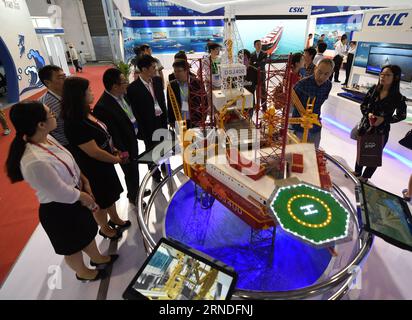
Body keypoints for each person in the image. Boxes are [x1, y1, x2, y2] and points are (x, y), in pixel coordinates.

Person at [5, 101, 118, 281]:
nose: (55, 115)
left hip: (76, 196)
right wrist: (84, 197)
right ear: (40, 124)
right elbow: (59, 192)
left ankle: (97, 258)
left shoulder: (47, 138)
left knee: (87, 233)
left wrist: (83, 180)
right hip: (59, 209)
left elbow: (69, 161)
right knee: (72, 246)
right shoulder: (33, 160)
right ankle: (83, 272)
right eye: (50, 114)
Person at [62, 77, 127, 240]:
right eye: (88, 90)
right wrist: (115, 159)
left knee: (111, 195)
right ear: (79, 96)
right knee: (101, 201)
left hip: (105, 164)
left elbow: (102, 135)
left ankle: (115, 218)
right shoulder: (74, 122)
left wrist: (114, 150)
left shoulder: (86, 113)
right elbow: (94, 152)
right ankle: (104, 228)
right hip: (94, 169)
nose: (92, 92)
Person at [93, 68, 151, 206]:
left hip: (132, 139)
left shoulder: (122, 95)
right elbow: (113, 135)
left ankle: (135, 191)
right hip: (124, 147)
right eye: (124, 82)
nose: (127, 84)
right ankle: (134, 197)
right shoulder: (103, 107)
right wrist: (123, 153)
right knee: (130, 172)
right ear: (114, 86)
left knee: (134, 169)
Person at [354, 65, 407, 182]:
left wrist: (384, 119)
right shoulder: (373, 89)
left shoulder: (398, 97)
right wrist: (368, 114)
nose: (383, 77)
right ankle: (357, 171)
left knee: (373, 154)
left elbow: (402, 115)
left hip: (381, 131)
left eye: (387, 75)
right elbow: (363, 105)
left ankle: (365, 177)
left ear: (395, 78)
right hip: (365, 126)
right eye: (382, 74)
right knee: (361, 150)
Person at [127, 55, 168, 183]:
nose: (156, 69)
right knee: (151, 150)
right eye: (153, 67)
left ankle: (163, 167)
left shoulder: (157, 81)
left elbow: (161, 100)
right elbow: (135, 112)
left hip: (160, 120)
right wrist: (141, 131)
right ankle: (155, 174)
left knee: (163, 146)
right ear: (144, 69)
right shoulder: (133, 88)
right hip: (147, 125)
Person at [291, 59, 334, 149]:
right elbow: (292, 102)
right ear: (315, 69)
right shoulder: (302, 84)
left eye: (326, 74)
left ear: (331, 74)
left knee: (313, 154)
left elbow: (321, 102)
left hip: (315, 127)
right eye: (320, 72)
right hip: (299, 127)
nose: (322, 77)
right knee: (296, 157)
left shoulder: (328, 85)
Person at [167, 59, 206, 129]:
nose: (176, 74)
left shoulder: (197, 83)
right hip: (179, 120)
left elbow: (205, 102)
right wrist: (171, 121)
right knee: (182, 139)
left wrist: (203, 118)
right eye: (175, 71)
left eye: (179, 71)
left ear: (186, 71)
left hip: (195, 120)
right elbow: (170, 105)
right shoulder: (172, 85)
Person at [38, 65, 70, 149]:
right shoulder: (46, 105)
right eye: (60, 78)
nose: (66, 80)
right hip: (67, 143)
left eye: (65, 76)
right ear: (47, 82)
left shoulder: (69, 93)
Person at [250, 40, 268, 110]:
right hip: (254, 75)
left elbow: (263, 64)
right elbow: (251, 64)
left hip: (262, 75)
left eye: (260, 44)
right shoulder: (251, 54)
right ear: (254, 46)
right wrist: (257, 63)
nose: (259, 46)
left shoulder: (264, 54)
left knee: (263, 91)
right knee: (253, 90)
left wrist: (255, 63)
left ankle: (264, 106)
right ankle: (255, 106)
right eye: (257, 44)